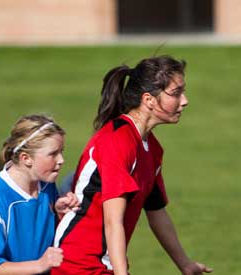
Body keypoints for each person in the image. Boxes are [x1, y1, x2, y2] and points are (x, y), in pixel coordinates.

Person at [52, 56, 213, 275]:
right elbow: (113, 220)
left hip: (104, 266)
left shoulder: (152, 149)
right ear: (149, 100)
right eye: (176, 93)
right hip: (76, 265)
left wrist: (185, 264)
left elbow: (156, 212)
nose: (184, 101)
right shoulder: (117, 140)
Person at [0, 114, 80, 275]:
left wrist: (57, 212)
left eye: (61, 151)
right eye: (53, 154)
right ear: (26, 158)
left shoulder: (46, 184)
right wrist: (39, 265)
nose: (61, 160)